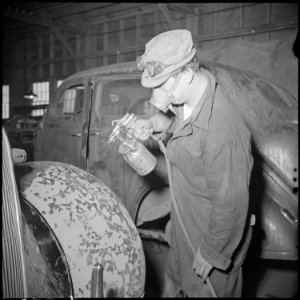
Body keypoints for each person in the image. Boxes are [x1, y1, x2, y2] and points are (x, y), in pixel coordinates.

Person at [132, 29, 254, 297]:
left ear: (186, 74)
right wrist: (153, 124)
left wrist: (212, 253)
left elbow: (231, 205)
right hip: (183, 226)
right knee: (175, 284)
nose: (157, 95)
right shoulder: (188, 101)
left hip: (211, 240)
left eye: (161, 86)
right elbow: (181, 127)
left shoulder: (224, 131)